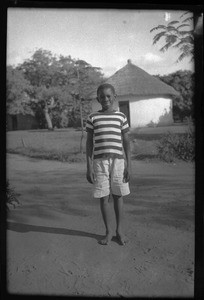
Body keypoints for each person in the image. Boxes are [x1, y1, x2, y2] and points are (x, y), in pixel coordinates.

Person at [86, 83, 131, 245]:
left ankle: (119, 230)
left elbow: (126, 142)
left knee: (118, 195)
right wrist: (89, 166)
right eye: (102, 96)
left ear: (114, 97)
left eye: (108, 96)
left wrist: (129, 165)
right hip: (99, 163)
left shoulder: (121, 117)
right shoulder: (93, 118)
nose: (105, 99)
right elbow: (89, 143)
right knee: (103, 197)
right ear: (98, 98)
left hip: (118, 161)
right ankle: (108, 231)